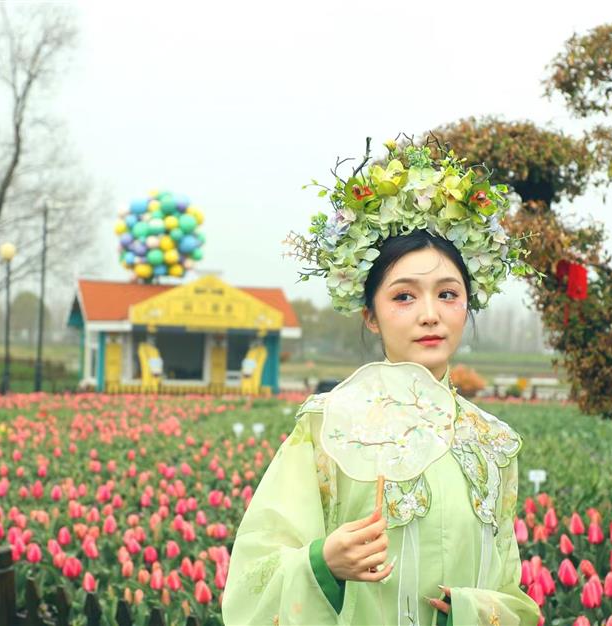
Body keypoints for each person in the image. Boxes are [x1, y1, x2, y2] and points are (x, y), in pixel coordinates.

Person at [221, 140, 542, 626]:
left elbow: (513, 597)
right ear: (371, 316)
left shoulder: (494, 442)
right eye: (404, 297)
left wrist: (473, 611)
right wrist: (323, 563)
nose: (430, 315)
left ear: (467, 306)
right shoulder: (325, 428)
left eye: (448, 294)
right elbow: (253, 578)